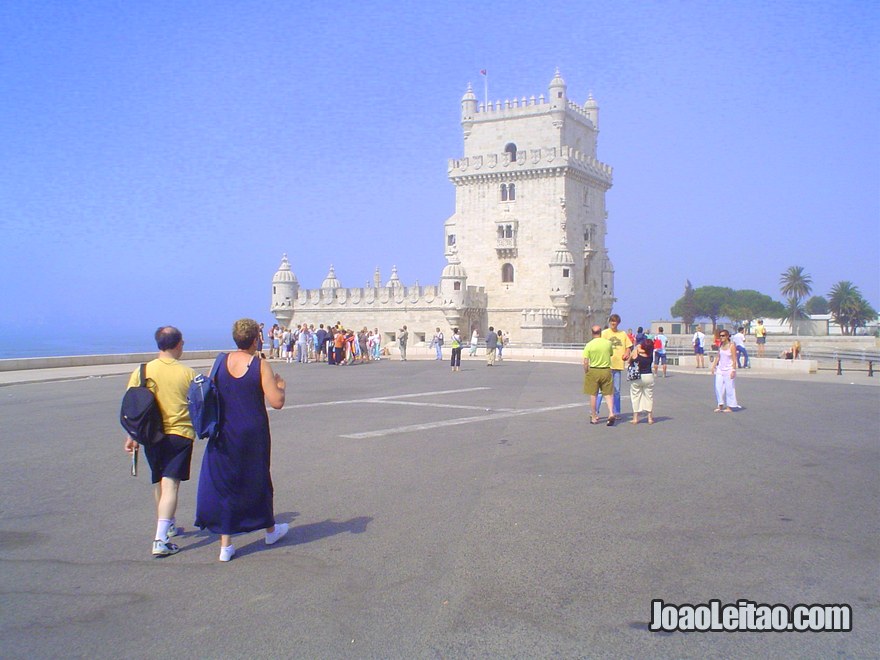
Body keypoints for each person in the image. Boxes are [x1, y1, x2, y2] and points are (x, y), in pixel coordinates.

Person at [194, 318, 288, 562]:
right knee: (257, 479)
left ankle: (226, 545)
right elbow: (277, 402)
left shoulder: (219, 362)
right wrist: (281, 386)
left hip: (223, 432)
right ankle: (269, 530)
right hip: (252, 432)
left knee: (226, 483)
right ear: (256, 339)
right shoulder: (259, 366)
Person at [123, 326, 196, 558]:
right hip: (180, 434)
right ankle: (160, 539)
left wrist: (132, 436)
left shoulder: (142, 371)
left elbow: (134, 408)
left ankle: (168, 524)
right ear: (177, 344)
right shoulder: (188, 373)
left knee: (159, 482)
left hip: (151, 435)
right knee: (171, 484)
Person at [596, 314, 631, 418]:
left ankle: (616, 412)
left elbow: (628, 347)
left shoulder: (623, 334)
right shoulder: (604, 333)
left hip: (618, 365)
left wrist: (627, 353)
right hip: (606, 365)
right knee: (601, 391)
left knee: (616, 391)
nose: (613, 323)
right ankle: (595, 412)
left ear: (618, 322)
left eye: (615, 321)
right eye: (611, 321)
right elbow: (598, 345)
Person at [582, 324, 616, 426]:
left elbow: (585, 361)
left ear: (592, 333)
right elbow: (610, 354)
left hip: (594, 370)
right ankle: (611, 413)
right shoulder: (608, 343)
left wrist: (586, 371)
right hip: (606, 370)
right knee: (608, 394)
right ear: (601, 332)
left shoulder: (589, 345)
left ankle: (594, 417)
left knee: (593, 395)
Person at [710, 329, 739, 412]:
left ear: (727, 336)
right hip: (720, 369)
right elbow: (718, 356)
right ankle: (720, 405)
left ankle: (730, 406)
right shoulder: (721, 345)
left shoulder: (732, 345)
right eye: (720, 336)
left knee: (730, 388)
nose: (721, 337)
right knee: (718, 387)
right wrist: (714, 366)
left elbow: (734, 359)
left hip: (729, 369)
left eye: (723, 336)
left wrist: (733, 370)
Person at [628, 338, 656, 425]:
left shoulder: (636, 353)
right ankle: (650, 418)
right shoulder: (651, 354)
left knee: (636, 396)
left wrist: (638, 347)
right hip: (648, 376)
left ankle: (635, 418)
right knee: (649, 396)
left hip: (637, 377)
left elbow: (629, 361)